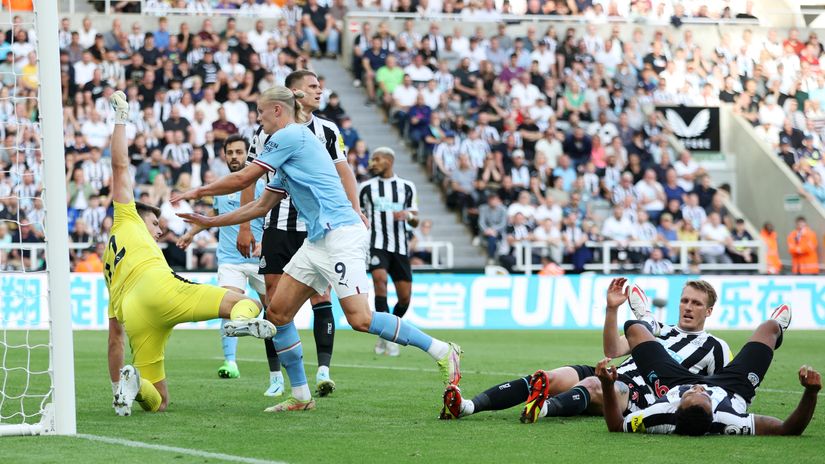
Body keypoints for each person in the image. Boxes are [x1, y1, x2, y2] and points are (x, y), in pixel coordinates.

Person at [173, 86, 461, 413]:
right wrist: (210, 223)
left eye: (260, 111)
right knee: (278, 313)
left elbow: (243, 180)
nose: (258, 118)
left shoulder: (289, 137)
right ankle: (300, 395)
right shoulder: (284, 151)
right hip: (317, 240)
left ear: (278, 111)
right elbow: (259, 205)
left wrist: (194, 191)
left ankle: (441, 350)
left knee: (360, 318)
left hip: (340, 233)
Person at [105, 91, 271, 416]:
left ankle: (134, 384)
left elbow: (114, 338)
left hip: (133, 314)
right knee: (246, 303)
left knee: (159, 402)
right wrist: (121, 119)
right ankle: (239, 322)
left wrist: (115, 389)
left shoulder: (108, 263)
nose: (159, 230)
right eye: (155, 223)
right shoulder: (126, 216)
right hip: (162, 289)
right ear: (139, 216)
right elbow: (120, 165)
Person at [440, 279, 730, 423]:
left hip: (639, 395)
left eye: (696, 303)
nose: (688, 308)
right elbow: (612, 348)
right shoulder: (657, 330)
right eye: (685, 301)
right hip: (615, 373)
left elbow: (720, 391)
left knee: (592, 384)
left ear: (709, 311)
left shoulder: (715, 348)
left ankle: (541, 411)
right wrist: (611, 309)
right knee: (549, 378)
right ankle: (467, 406)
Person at [240, 70, 360, 397]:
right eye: (312, 87)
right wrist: (245, 228)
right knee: (274, 300)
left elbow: (342, 170)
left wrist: (356, 207)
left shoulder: (328, 130)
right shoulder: (265, 131)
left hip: (316, 227)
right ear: (294, 94)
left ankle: (323, 369)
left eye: (320, 86)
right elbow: (250, 178)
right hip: (277, 223)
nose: (320, 91)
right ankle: (277, 375)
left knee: (324, 296)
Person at [598, 304, 821, 435]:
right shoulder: (730, 420)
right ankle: (779, 327)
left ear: (675, 408)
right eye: (703, 394)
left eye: (691, 394)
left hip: (674, 384)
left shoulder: (659, 417)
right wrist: (810, 393)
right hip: (733, 389)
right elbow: (787, 430)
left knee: (633, 328)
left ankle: (649, 320)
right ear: (713, 411)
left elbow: (617, 425)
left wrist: (607, 385)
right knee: (769, 328)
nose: (698, 386)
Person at [176, 134, 267, 380]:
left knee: (276, 312)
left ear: (247, 154)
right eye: (231, 153)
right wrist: (191, 233)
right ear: (224, 155)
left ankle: (277, 369)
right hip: (230, 259)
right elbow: (214, 217)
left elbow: (273, 222)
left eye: (239, 152)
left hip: (261, 259)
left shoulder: (261, 185)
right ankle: (230, 363)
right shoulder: (221, 187)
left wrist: (264, 244)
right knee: (228, 307)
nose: (235, 157)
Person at [358, 147, 419, 357]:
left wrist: (408, 216)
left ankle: (388, 331)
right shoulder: (365, 188)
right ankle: (386, 335)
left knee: (404, 298)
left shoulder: (407, 187)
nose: (373, 163)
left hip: (400, 248)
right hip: (376, 245)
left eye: (377, 159)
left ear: (389, 161)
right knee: (380, 281)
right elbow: (358, 214)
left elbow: (416, 218)